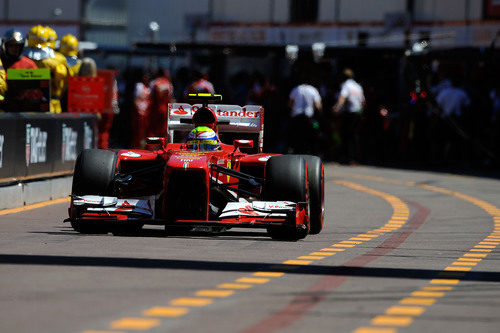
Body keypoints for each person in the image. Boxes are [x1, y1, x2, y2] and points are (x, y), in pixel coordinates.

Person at [24, 25, 67, 113]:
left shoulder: (22, 59)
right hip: (50, 105)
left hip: (25, 104)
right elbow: (61, 82)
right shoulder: (56, 62)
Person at [332, 68, 365, 164]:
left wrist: (337, 108)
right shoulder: (358, 86)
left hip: (349, 113)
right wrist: (361, 113)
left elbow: (342, 97)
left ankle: (347, 157)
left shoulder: (346, 85)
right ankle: (355, 157)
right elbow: (363, 101)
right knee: (354, 135)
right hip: (357, 113)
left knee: (346, 135)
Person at [288, 76, 322, 154]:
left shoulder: (296, 89)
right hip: (309, 118)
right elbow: (318, 105)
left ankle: (296, 151)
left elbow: (290, 103)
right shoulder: (313, 90)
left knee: (297, 136)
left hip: (297, 116)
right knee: (309, 136)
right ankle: (309, 152)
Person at [148, 68, 173, 137]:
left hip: (154, 108)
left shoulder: (154, 82)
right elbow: (170, 97)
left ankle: (151, 145)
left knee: (153, 127)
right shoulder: (168, 83)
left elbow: (149, 95)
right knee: (163, 128)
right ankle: (162, 145)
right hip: (164, 108)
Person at [131, 71, 151, 148]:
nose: (146, 79)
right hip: (140, 112)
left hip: (148, 112)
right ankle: (136, 146)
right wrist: (138, 110)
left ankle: (145, 146)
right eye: (145, 77)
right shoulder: (139, 86)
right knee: (138, 132)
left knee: (146, 131)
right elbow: (135, 99)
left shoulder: (150, 87)